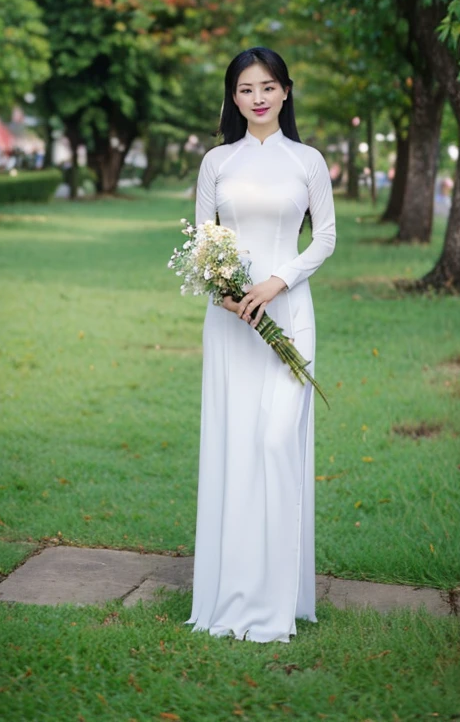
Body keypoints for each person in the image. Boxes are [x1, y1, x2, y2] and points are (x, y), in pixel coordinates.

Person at [186, 46, 337, 644]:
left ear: (286, 91)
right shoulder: (217, 161)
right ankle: (231, 593)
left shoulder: (308, 161)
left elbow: (323, 237)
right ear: (233, 96)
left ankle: (279, 599)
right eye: (246, 88)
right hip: (229, 322)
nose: (258, 97)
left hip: (289, 312)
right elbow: (203, 238)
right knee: (235, 450)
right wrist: (222, 289)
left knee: (276, 442)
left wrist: (278, 281)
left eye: (268, 86)